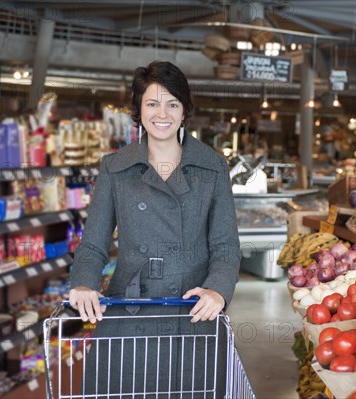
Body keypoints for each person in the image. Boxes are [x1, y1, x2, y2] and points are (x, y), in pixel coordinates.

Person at [68, 61, 241, 398]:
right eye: (152, 103)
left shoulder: (212, 166)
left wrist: (217, 291)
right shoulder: (115, 168)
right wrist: (85, 283)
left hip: (193, 311)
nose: (162, 113)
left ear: (184, 111)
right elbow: (93, 244)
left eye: (172, 103)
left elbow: (225, 246)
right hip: (131, 313)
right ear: (138, 110)